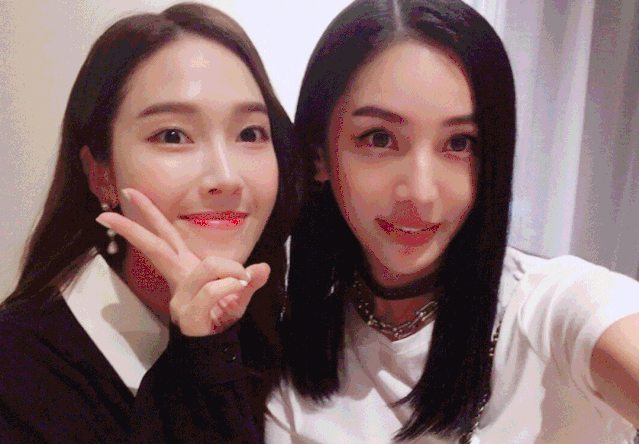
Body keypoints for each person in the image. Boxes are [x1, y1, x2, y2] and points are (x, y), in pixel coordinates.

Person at [265, 0, 639, 443]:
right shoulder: (297, 356)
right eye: (379, 138)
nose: (421, 192)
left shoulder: (550, 312)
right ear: (318, 156)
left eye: (460, 143)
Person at [0, 3, 300, 443]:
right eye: (172, 135)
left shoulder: (272, 326)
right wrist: (204, 364)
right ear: (101, 174)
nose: (226, 178)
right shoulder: (20, 371)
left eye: (250, 133)